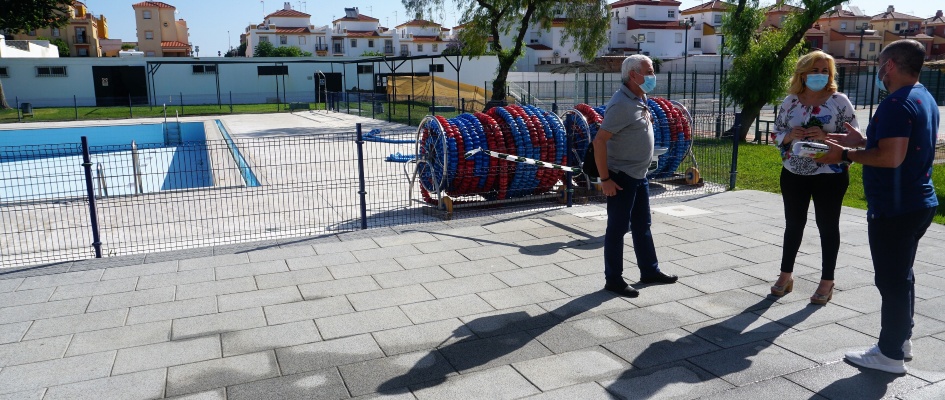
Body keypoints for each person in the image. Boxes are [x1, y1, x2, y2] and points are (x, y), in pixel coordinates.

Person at [820, 39, 939, 374]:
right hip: (917, 202)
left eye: (879, 64)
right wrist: (862, 142)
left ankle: (889, 355)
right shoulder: (922, 97)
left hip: (896, 207)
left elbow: (890, 158)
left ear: (889, 65)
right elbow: (902, 146)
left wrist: (844, 154)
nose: (878, 70)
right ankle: (901, 341)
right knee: (902, 276)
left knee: (891, 280)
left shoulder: (896, 104)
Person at [770, 50, 857, 305]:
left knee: (827, 226)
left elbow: (855, 138)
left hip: (829, 174)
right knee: (793, 225)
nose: (820, 75)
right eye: (814, 70)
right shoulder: (790, 101)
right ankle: (785, 276)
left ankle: (826, 281)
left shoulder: (839, 101)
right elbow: (776, 133)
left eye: (825, 71)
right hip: (794, 172)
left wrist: (825, 137)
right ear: (802, 73)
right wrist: (789, 136)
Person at [592, 54, 678, 298]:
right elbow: (599, 142)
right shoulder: (621, 104)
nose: (653, 76)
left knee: (642, 225)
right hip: (621, 177)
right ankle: (614, 279)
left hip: (639, 175)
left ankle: (649, 271)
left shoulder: (640, 97)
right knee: (617, 229)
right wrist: (605, 179)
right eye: (649, 71)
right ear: (633, 75)